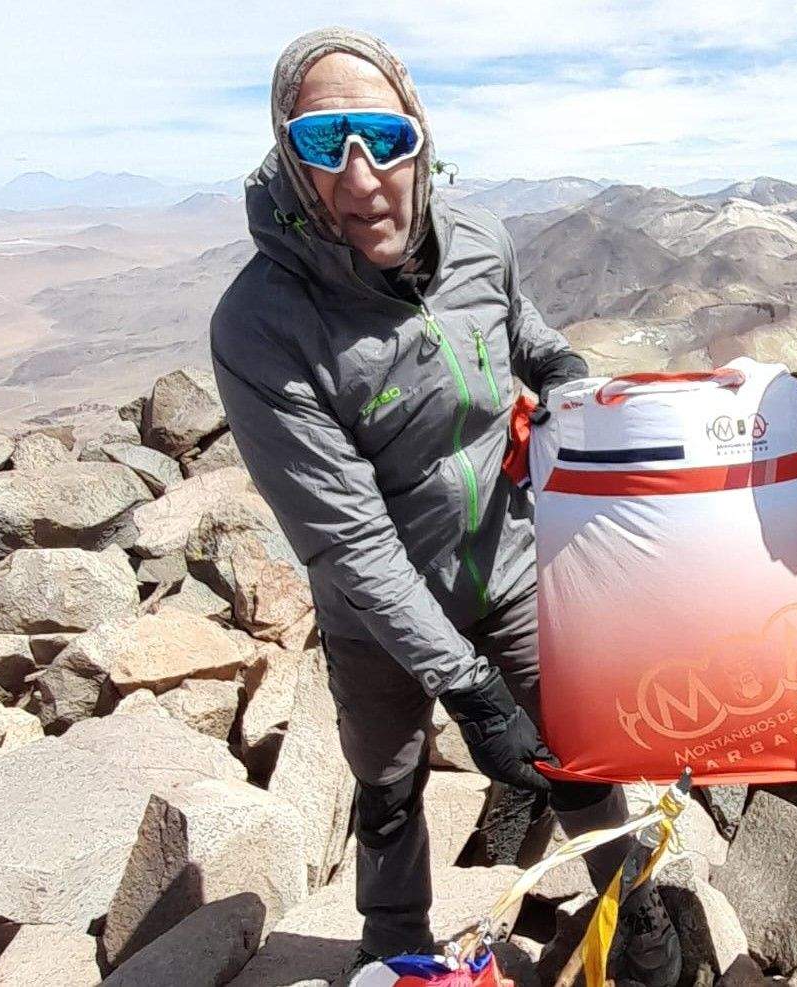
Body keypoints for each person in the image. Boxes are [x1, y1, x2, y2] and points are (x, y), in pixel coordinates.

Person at [209, 28, 679, 986]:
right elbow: (349, 540)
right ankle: (395, 955)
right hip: (375, 615)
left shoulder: (479, 243)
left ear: (418, 136)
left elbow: (533, 343)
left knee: (579, 752)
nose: (360, 175)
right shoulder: (260, 325)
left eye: (381, 136)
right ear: (286, 155)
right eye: (323, 141)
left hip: (504, 567)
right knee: (388, 790)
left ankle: (637, 929)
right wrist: (466, 688)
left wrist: (568, 385)